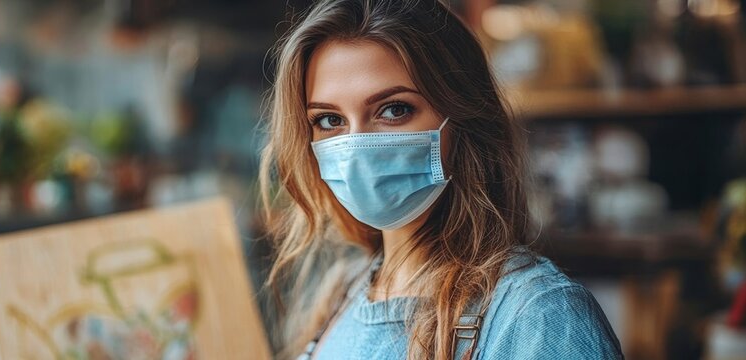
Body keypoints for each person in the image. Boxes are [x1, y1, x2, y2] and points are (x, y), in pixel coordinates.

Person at [258, 0, 624, 359]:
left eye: (394, 109)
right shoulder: (341, 294)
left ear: (463, 119)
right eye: (329, 120)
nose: (355, 147)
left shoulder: (537, 317)